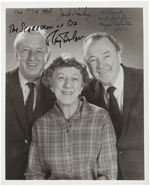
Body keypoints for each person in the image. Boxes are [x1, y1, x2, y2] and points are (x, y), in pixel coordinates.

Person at [25, 56, 117, 180]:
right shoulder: (40, 125)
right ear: (51, 85)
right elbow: (34, 175)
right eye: (61, 78)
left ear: (81, 87)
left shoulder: (100, 118)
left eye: (74, 78)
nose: (68, 85)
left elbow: (108, 175)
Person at [82, 32, 144, 180]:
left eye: (106, 56)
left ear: (118, 55)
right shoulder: (84, 94)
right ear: (87, 65)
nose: (101, 65)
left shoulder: (145, 81)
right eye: (93, 59)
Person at [6, 29, 55, 180]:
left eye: (39, 51)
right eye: (26, 50)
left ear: (47, 55)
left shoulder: (60, 89)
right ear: (16, 54)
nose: (32, 57)